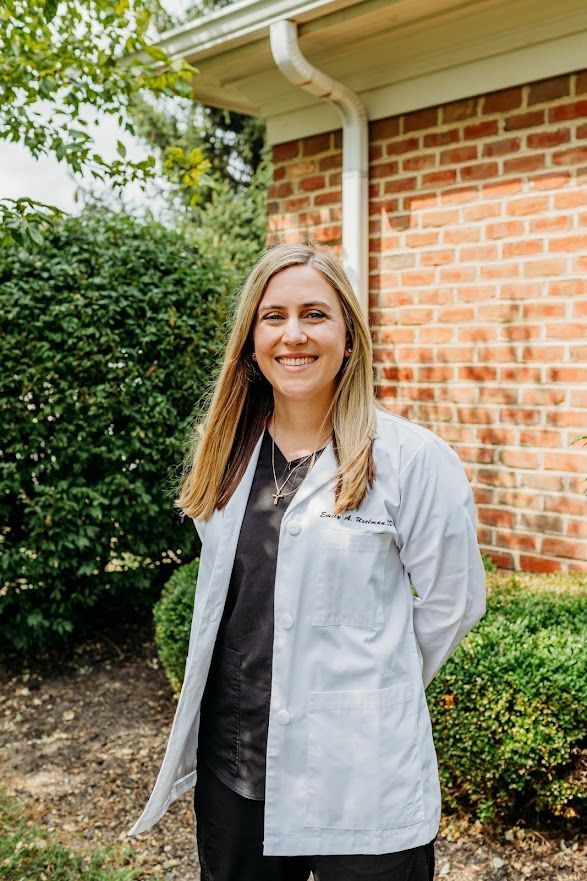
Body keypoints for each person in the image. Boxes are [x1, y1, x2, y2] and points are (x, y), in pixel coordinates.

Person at [128, 243, 487, 881]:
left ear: (348, 337)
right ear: (250, 341)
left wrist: (368, 692)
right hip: (235, 770)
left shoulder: (413, 460)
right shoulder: (226, 456)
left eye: (315, 315)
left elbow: (450, 607)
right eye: (274, 317)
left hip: (362, 776)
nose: (293, 335)